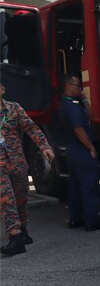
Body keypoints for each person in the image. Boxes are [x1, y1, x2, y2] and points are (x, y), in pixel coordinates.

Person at [0, 83, 55, 255]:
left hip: (17, 163)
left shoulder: (14, 108)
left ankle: (22, 229)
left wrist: (44, 147)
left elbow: (31, 128)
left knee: (20, 199)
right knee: (6, 199)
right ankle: (15, 237)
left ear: (2, 89)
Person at [59, 75, 100, 231]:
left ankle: (75, 218)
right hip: (80, 148)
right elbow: (79, 129)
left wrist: (84, 99)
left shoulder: (69, 103)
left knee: (75, 185)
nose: (80, 88)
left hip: (72, 149)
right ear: (68, 87)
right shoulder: (72, 106)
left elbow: (90, 116)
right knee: (89, 184)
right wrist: (91, 148)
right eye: (77, 85)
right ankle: (92, 221)